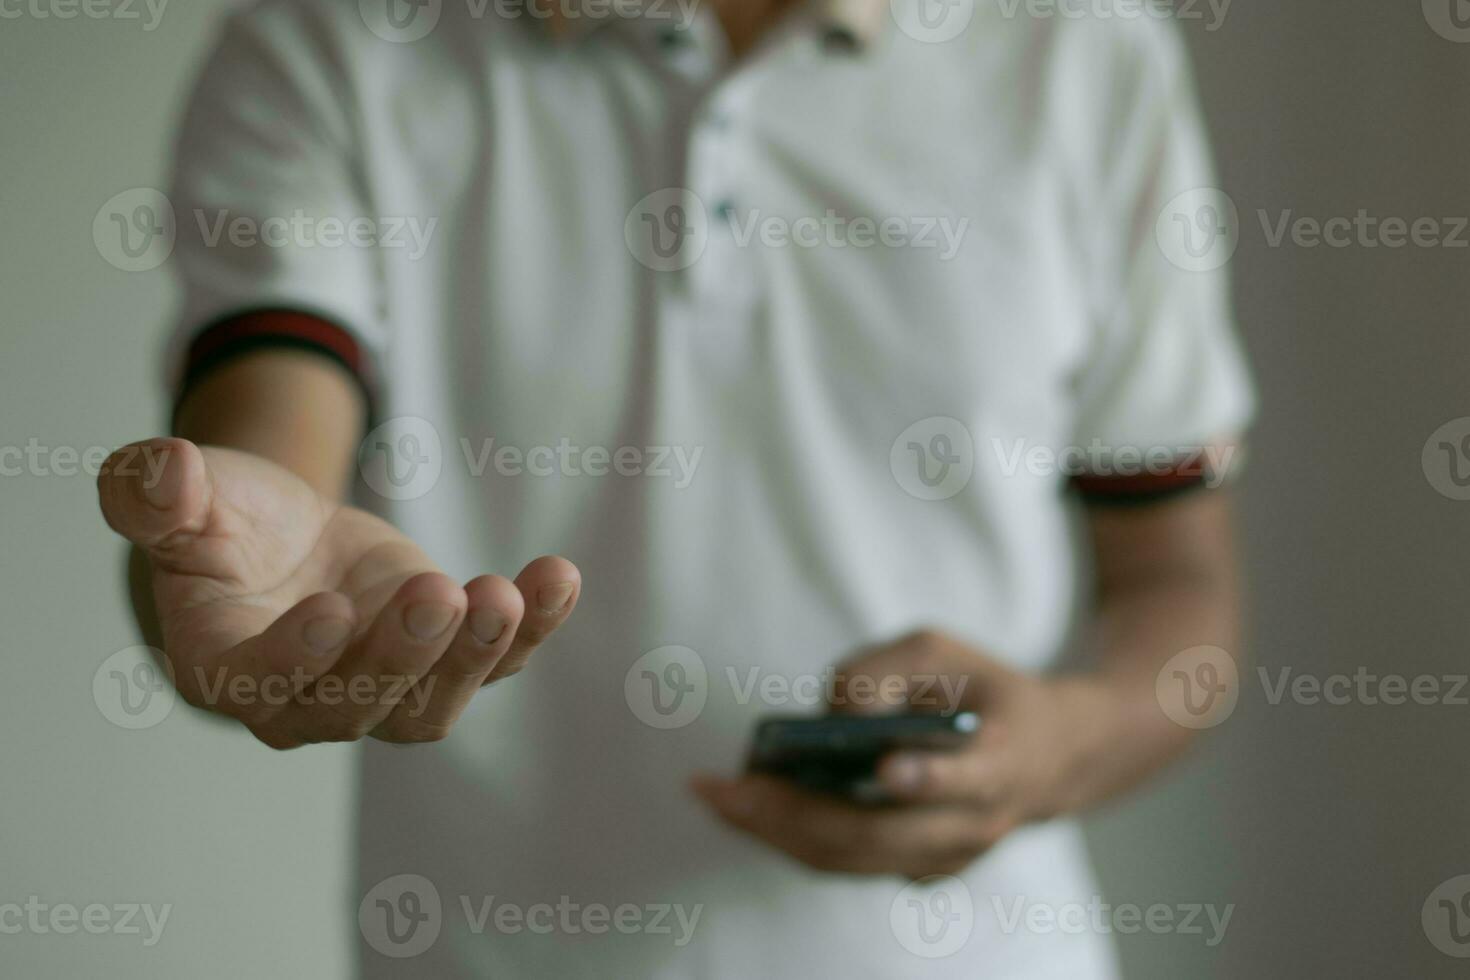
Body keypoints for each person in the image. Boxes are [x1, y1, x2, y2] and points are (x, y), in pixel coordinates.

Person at [96, 0, 1255, 975]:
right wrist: (236, 576)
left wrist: (1063, 741)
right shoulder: (334, 38)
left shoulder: (1089, 51)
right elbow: (257, 466)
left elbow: (1177, 579)